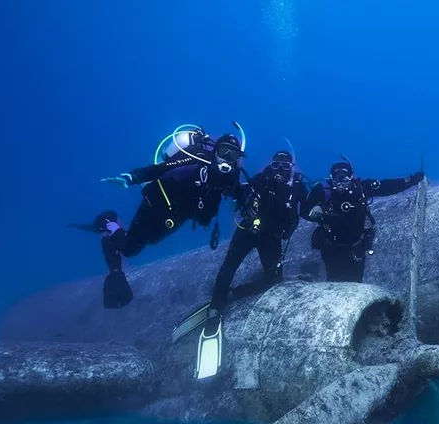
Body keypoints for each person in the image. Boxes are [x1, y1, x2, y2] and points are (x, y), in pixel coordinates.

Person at [70, 123, 248, 309]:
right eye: (224, 151)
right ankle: (108, 221)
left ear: (238, 159)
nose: (227, 158)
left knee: (151, 240)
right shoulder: (197, 161)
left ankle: (114, 229)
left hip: (178, 215)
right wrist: (130, 178)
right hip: (156, 205)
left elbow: (239, 193)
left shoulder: (231, 177)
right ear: (215, 152)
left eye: (233, 154)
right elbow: (160, 169)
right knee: (130, 248)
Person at [174, 149, 309, 380]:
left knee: (273, 281)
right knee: (228, 268)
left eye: (284, 166)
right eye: (276, 164)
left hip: (272, 238)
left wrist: (318, 212)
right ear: (271, 164)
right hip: (248, 231)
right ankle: (215, 307)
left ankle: (235, 294)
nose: (278, 170)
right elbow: (237, 192)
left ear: (291, 168)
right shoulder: (259, 179)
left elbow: (306, 209)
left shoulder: (297, 187)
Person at [303, 157, 424, 282]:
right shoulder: (323, 190)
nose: (341, 181)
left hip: (356, 246)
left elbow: (386, 187)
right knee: (334, 280)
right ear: (331, 178)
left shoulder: (360, 188)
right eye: (337, 177)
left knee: (355, 281)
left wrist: (410, 180)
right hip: (331, 248)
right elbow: (305, 208)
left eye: (345, 176)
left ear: (351, 176)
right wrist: (314, 208)